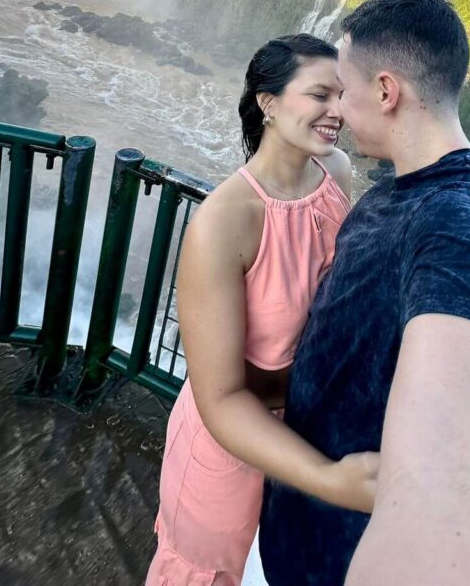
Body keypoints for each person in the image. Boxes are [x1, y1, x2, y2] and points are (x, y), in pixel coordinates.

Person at [259, 0, 470, 586]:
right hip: (298, 530)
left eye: (344, 92)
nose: (337, 111)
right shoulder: (393, 190)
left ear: (386, 92)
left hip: (341, 557)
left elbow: (469, 475)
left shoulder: (466, 225)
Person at [146, 33, 379, 586]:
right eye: (320, 94)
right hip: (232, 451)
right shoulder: (226, 220)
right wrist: (332, 480)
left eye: (342, 96)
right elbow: (221, 397)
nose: (336, 111)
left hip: (307, 429)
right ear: (268, 102)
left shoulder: (336, 172)